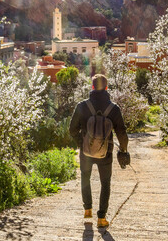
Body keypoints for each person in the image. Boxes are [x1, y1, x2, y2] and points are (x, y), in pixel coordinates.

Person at [69, 74, 129, 228]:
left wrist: (81, 144)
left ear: (92, 87)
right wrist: (123, 150)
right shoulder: (113, 109)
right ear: (107, 87)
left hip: (86, 152)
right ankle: (101, 218)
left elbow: (72, 129)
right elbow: (121, 132)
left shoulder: (82, 106)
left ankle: (87, 208)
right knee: (105, 183)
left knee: (85, 177)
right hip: (106, 153)